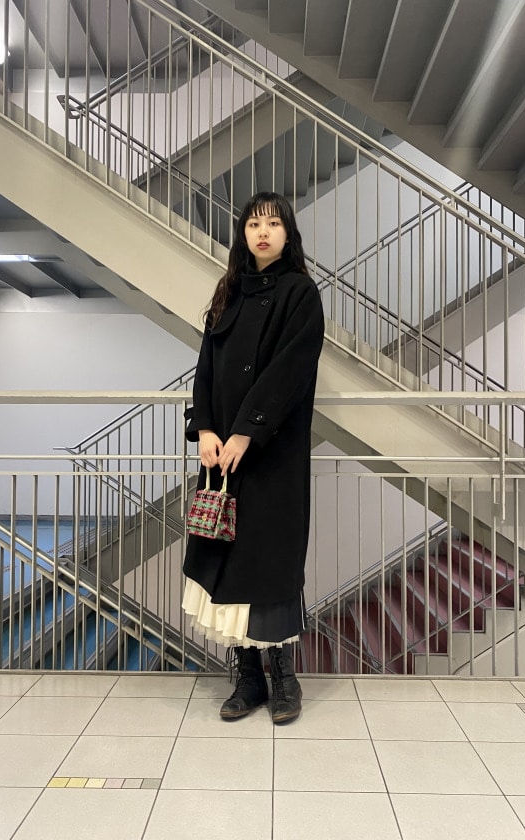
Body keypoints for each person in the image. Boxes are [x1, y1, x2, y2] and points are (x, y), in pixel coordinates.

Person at [182, 191, 324, 724]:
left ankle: (284, 676)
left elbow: (291, 371)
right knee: (227, 560)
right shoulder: (229, 292)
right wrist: (205, 428)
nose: (263, 232)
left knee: (271, 562)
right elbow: (205, 369)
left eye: (273, 224)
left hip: (272, 456)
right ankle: (247, 678)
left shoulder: (300, 293)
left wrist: (247, 432)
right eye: (253, 224)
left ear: (288, 235)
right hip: (221, 456)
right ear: (243, 234)